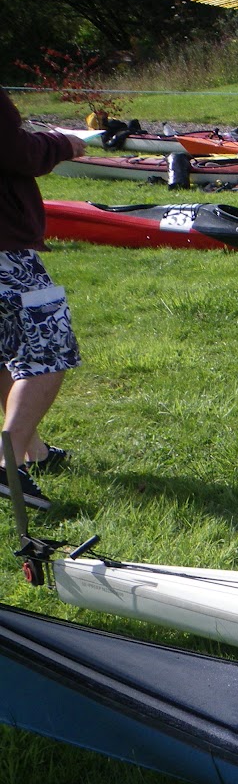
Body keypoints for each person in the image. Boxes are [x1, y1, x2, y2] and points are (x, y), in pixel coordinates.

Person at [0, 89, 86, 510]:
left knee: (5, 350)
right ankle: (7, 462)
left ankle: (36, 452)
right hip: (4, 250)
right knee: (49, 350)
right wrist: (62, 144)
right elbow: (14, 150)